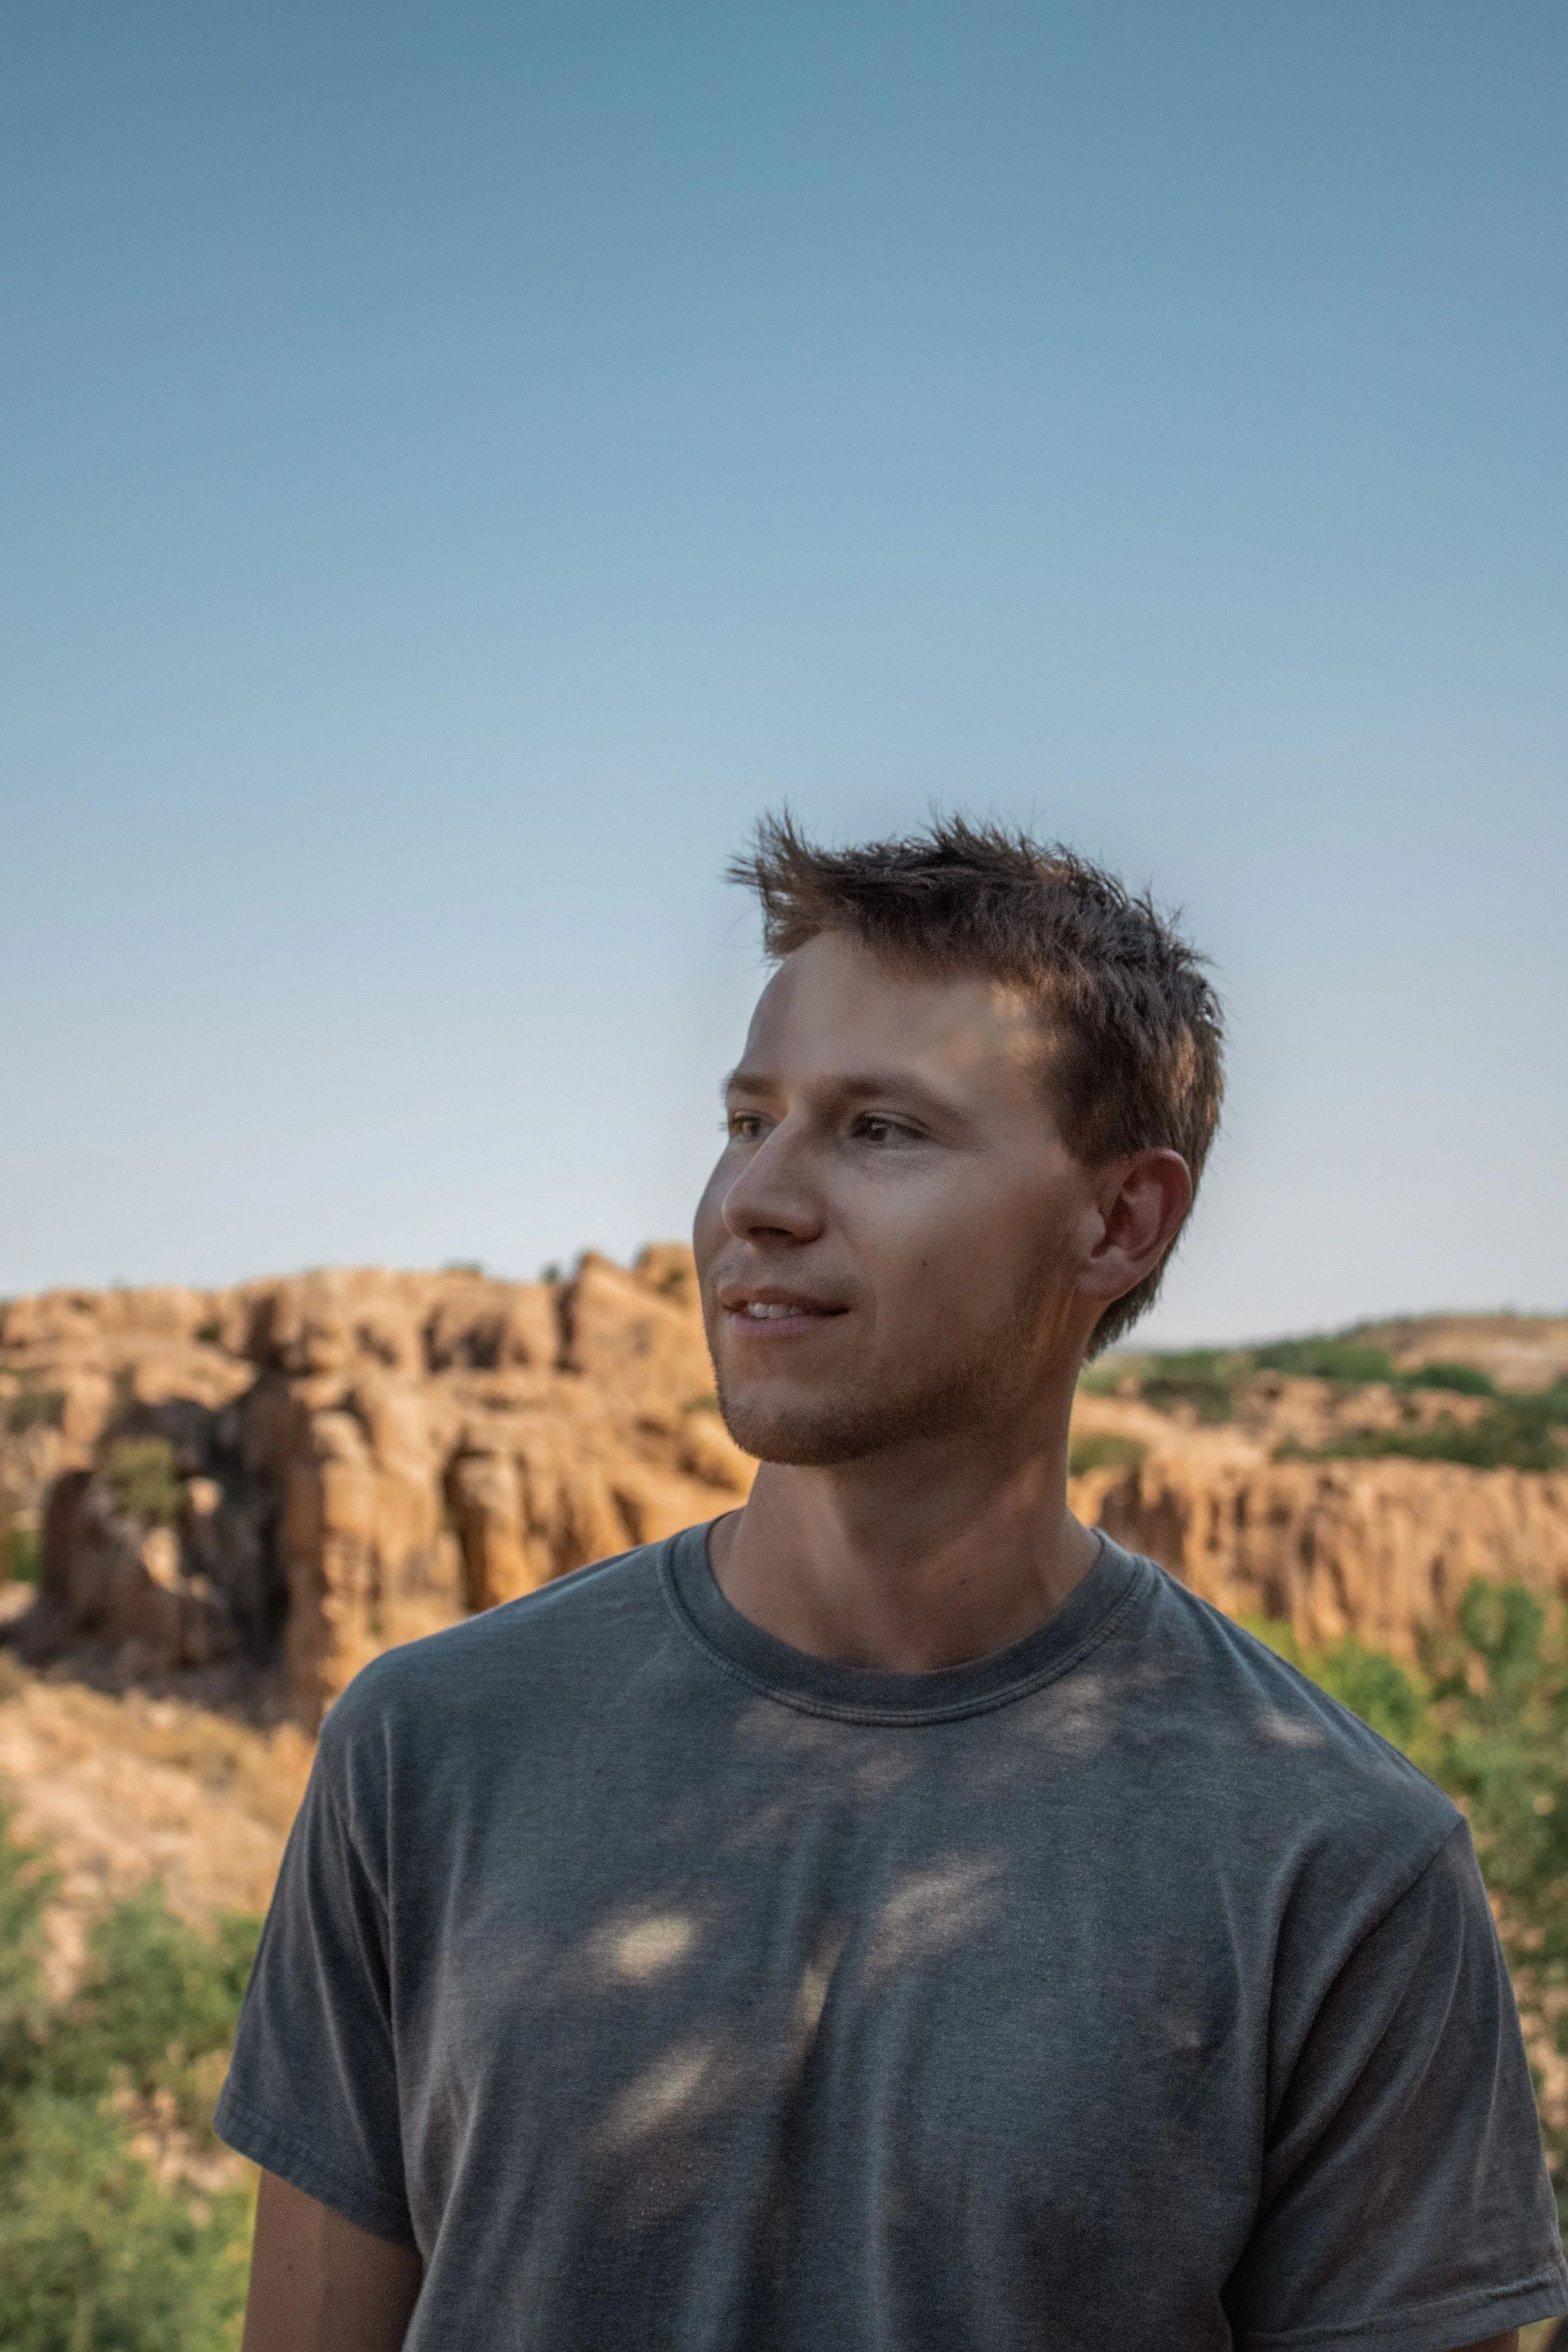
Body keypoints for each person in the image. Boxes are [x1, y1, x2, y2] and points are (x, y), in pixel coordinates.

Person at [221, 817, 1567, 2352]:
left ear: (1120, 1221)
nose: (757, 1202)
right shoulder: (427, 1746)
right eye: (748, 1120)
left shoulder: (1338, 1865)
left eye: (881, 1131)